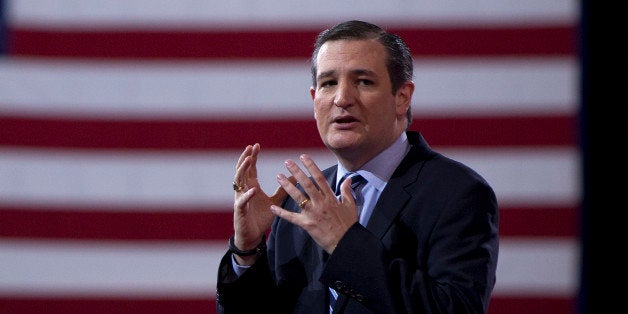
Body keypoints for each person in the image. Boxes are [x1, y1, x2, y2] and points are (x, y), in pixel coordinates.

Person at [216, 20, 499, 314]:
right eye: (328, 83)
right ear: (315, 100)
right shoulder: (299, 201)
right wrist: (246, 250)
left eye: (363, 81)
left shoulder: (458, 193)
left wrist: (344, 244)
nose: (342, 99)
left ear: (402, 97)